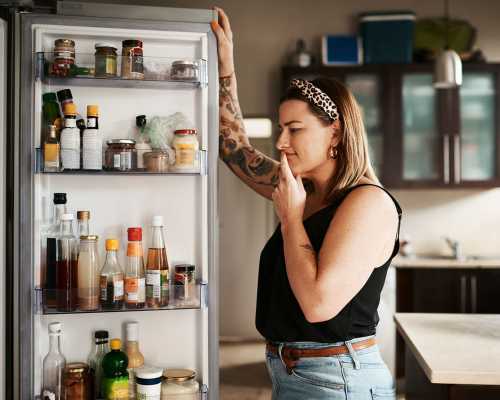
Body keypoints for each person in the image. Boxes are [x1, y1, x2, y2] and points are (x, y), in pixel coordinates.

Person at [211, 7, 401, 400]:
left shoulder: (368, 203)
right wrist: (225, 66)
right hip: (293, 375)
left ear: (335, 134)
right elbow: (233, 149)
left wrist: (291, 218)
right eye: (282, 128)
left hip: (337, 380)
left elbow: (317, 305)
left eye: (294, 129)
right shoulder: (303, 189)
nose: (281, 142)